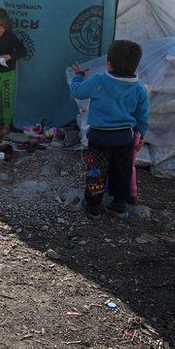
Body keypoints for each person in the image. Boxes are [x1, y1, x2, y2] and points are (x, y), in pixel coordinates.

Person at [69, 40, 150, 218]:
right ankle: (119, 204)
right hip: (124, 138)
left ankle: (93, 206)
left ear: (108, 64)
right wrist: (141, 134)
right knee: (122, 170)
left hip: (99, 137)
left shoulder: (99, 81)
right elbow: (142, 116)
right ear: (135, 65)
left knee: (96, 171)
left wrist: (79, 75)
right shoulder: (139, 88)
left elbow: (77, 91)